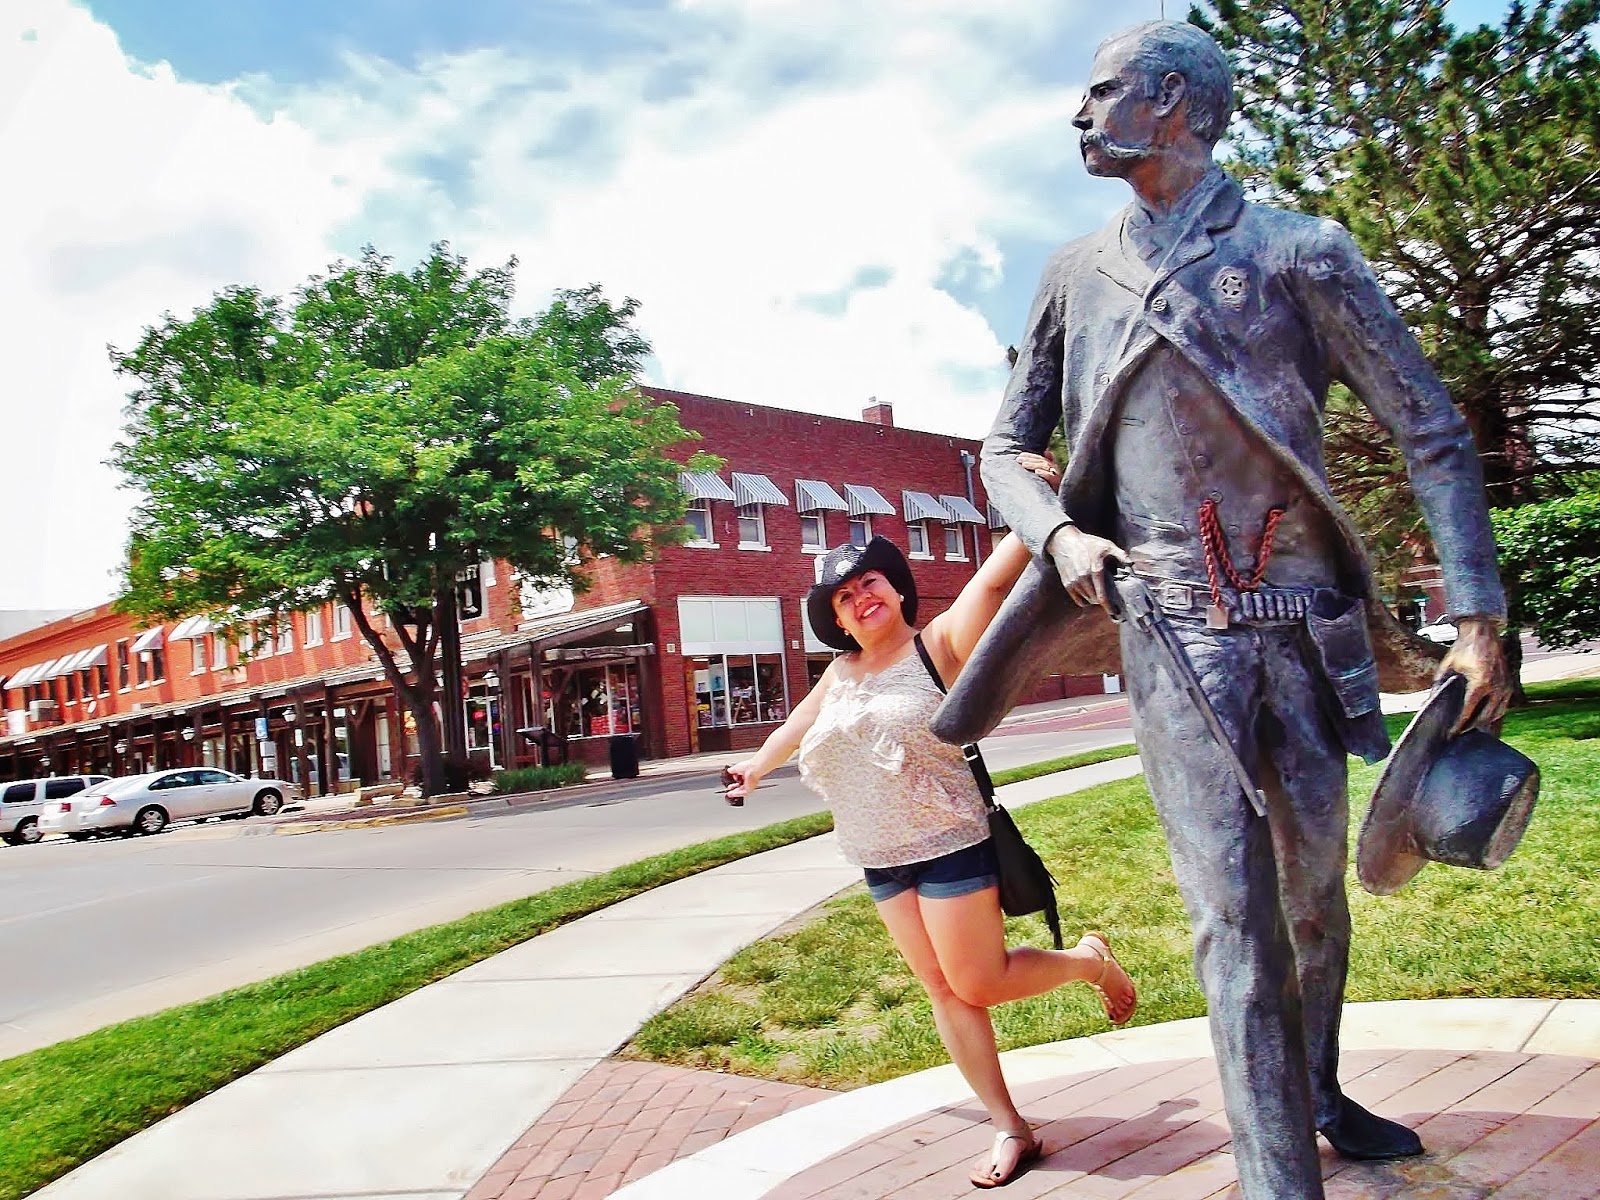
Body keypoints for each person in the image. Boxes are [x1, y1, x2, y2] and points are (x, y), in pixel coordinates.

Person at [943, 21, 1511, 1200]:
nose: (1078, 114)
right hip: (1168, 629)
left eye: (1100, 93)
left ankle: (1314, 1091)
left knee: (1310, 896)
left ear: (1170, 102)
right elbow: (1003, 448)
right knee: (1231, 909)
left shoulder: (1300, 252)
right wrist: (1058, 534)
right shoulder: (1071, 274)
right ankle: (1272, 1176)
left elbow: (1431, 431)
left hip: (1304, 630)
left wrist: (1476, 613)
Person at [724, 484, 1137, 1190]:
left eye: (870, 581)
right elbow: (800, 722)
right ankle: (1013, 1127)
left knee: (979, 978)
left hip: (949, 842)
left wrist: (1038, 499)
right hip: (877, 856)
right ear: (836, 619)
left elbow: (994, 577)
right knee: (946, 993)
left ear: (896, 587)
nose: (860, 598)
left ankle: (1089, 962)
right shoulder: (841, 671)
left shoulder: (938, 645)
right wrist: (756, 766)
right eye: (844, 596)